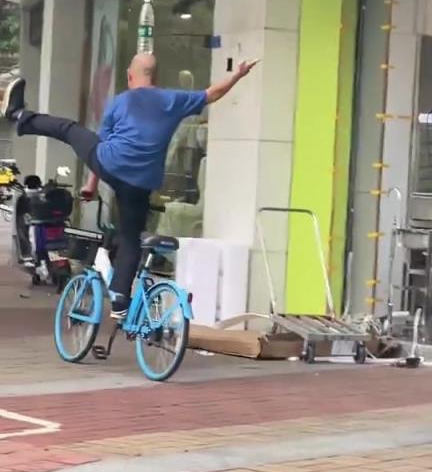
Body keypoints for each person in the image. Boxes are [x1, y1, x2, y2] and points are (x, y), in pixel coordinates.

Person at [0, 54, 258, 318]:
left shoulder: (120, 101)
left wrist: (91, 184)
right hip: (142, 183)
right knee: (131, 238)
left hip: (111, 165)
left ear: (130, 76)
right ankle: (120, 301)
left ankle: (18, 114)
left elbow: (101, 142)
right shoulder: (173, 100)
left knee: (69, 129)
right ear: (155, 77)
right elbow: (212, 94)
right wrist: (237, 75)